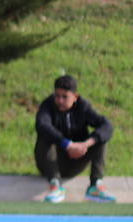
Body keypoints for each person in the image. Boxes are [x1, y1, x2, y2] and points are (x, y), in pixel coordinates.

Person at [35, 75, 117, 204]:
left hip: (77, 159)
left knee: (100, 138)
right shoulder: (48, 105)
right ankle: (55, 186)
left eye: (64, 97)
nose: (60, 100)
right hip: (51, 162)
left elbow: (107, 126)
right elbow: (42, 125)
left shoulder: (83, 106)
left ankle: (95, 186)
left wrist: (85, 144)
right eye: (57, 95)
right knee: (45, 136)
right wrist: (67, 144)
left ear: (75, 97)